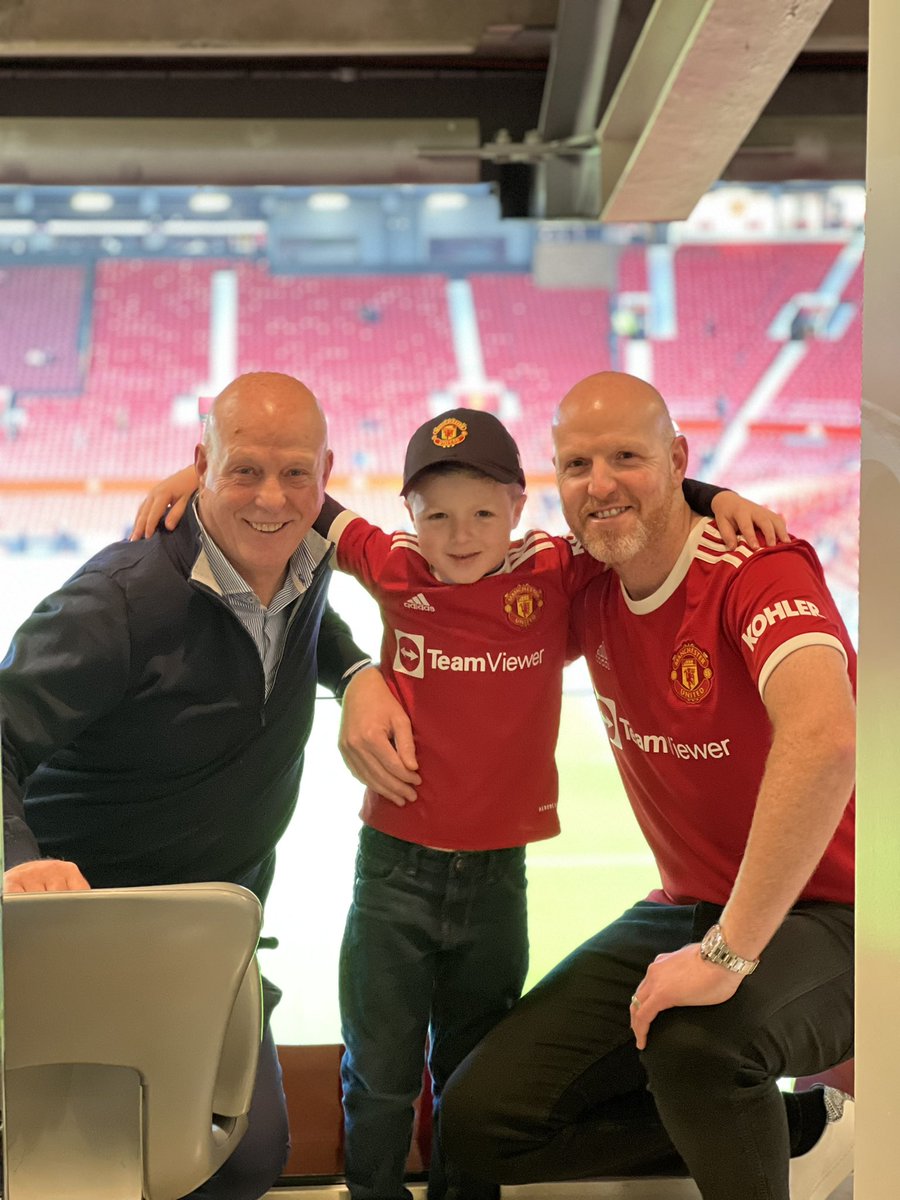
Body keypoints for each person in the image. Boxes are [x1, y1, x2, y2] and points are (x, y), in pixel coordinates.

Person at [131, 403, 787, 1200]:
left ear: (519, 505)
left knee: (469, 1076)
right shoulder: (392, 563)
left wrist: (714, 497)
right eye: (437, 515)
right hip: (392, 879)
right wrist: (197, 477)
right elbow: (302, 505)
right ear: (409, 513)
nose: (460, 535)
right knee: (378, 1077)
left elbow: (637, 508)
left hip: (495, 885)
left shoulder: (557, 568)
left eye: (483, 513)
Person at [440, 371, 856, 1200]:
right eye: (577, 464)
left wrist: (728, 952)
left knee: (700, 1048)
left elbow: (827, 739)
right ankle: (803, 1129)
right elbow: (439, 575)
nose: (599, 485)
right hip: (692, 903)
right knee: (481, 1119)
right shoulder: (587, 576)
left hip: (845, 912)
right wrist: (354, 674)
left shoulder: (756, 570)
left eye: (626, 457)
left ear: (676, 459)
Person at [0, 370, 413, 1200]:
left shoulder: (307, 562)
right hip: (83, 930)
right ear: (201, 467)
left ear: (325, 476)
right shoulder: (119, 603)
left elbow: (298, 617)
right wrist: (18, 859)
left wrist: (356, 671)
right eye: (243, 471)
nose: (272, 498)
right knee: (82, 1165)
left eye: (295, 473)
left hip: (211, 941)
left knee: (246, 1158)